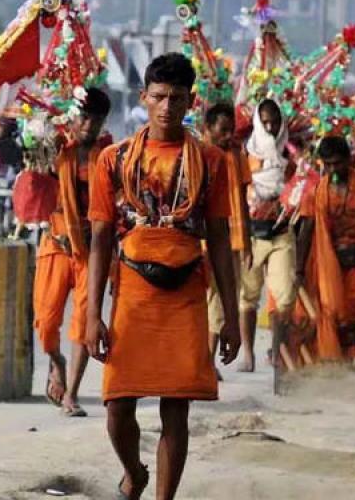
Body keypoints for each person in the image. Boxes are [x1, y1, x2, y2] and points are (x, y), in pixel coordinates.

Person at [85, 53, 241, 500]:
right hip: (133, 290)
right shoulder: (114, 160)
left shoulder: (211, 161)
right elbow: (100, 240)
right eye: (158, 96)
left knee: (177, 409)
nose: (167, 107)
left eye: (176, 98)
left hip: (187, 289)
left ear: (190, 101)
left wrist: (230, 317)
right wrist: (93, 315)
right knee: (117, 405)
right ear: (144, 98)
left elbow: (220, 239)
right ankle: (134, 472)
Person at [34, 87, 112, 417]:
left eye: (96, 120)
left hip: (91, 251)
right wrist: (37, 147)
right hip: (56, 244)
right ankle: (56, 361)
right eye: (84, 117)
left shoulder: (108, 155)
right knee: (45, 322)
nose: (88, 125)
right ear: (73, 116)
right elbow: (33, 187)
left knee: (84, 322)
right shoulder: (54, 147)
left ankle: (72, 394)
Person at [295, 136, 355, 373]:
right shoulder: (315, 192)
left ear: (348, 160)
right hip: (328, 263)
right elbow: (306, 230)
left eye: (337, 163)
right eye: (327, 164)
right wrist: (298, 270)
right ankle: (333, 362)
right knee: (330, 312)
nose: (332, 169)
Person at [237, 98, 296, 372]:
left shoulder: (292, 154)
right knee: (248, 297)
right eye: (265, 122)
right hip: (252, 234)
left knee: (284, 297)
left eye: (274, 121)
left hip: (281, 233)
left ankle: (276, 350)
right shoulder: (246, 153)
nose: (271, 127)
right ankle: (248, 354)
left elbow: (298, 187)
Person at [200, 102, 251, 369]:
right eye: (223, 130)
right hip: (200, 241)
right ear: (207, 128)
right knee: (207, 304)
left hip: (231, 238)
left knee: (220, 303)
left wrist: (248, 243)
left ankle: (206, 366)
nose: (228, 136)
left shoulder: (236, 155)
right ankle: (203, 367)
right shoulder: (196, 154)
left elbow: (243, 199)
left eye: (231, 130)